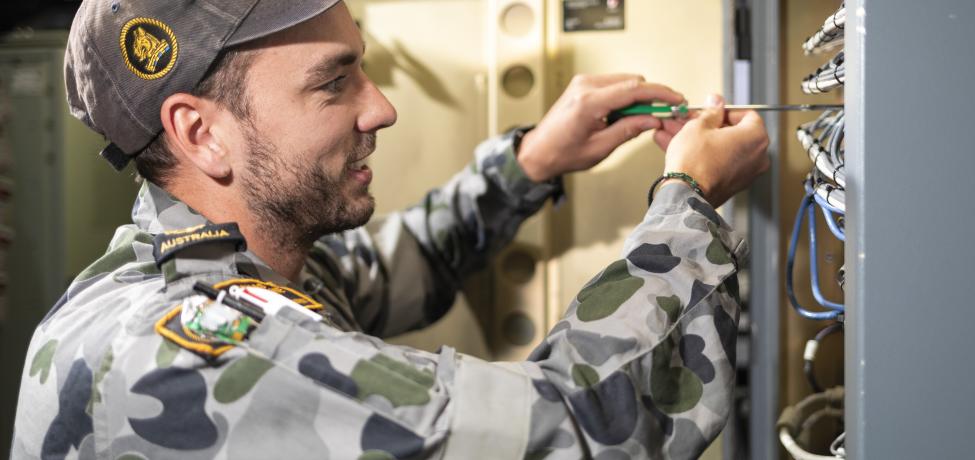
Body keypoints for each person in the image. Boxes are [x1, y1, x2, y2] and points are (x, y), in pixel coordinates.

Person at [12, 0, 769, 458]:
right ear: (201, 135)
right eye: (334, 82)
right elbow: (579, 432)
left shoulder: (229, 268)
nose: (380, 108)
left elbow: (398, 264)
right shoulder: (188, 357)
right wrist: (687, 199)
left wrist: (535, 161)